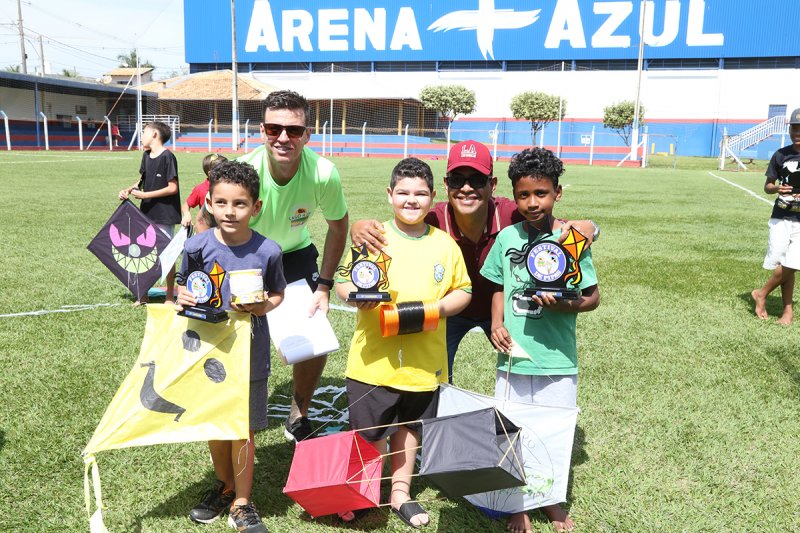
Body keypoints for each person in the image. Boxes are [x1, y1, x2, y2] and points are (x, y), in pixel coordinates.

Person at [352, 140, 598, 382]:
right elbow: (397, 227)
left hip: (501, 309)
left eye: (478, 180)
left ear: (492, 185)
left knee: (522, 367)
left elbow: (556, 228)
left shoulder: (513, 212)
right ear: (446, 185)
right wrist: (359, 226)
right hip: (452, 309)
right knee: (434, 374)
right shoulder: (433, 219)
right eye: (458, 180)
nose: (467, 188)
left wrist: (592, 227)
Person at [334, 157, 472, 527]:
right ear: (389, 194)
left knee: (410, 428)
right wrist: (353, 296)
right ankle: (364, 491)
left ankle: (400, 493)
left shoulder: (445, 246)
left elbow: (464, 290)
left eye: (421, 194)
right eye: (404, 193)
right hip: (373, 360)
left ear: (433, 197)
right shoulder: (372, 237)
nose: (412, 201)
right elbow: (344, 282)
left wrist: (439, 308)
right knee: (370, 431)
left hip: (423, 361)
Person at [481, 148, 599, 533]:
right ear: (514, 195)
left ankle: (550, 501)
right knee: (510, 430)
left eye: (542, 193)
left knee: (554, 431)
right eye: (524, 195)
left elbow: (592, 297)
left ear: (557, 193)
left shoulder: (572, 240)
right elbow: (498, 285)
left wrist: (564, 305)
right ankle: (518, 506)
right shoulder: (506, 238)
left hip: (557, 358)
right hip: (513, 356)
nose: (533, 203)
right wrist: (497, 322)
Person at [175, 160, 286, 533]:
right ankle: (224, 486)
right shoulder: (196, 245)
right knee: (215, 421)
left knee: (243, 429)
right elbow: (180, 286)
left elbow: (277, 294)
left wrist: (263, 306)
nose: (229, 211)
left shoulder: (268, 250)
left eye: (240, 204)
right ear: (208, 202)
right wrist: (183, 294)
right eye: (221, 202)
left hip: (250, 354)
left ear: (256, 207)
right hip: (207, 351)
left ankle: (242, 500)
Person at [238, 90, 349, 442]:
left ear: (308, 134)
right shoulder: (244, 171)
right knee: (239, 338)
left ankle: (298, 414)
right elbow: (209, 219)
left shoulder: (324, 173)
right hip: (247, 255)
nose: (283, 137)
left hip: (295, 255)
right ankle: (237, 411)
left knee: (315, 340)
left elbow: (338, 225)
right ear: (261, 131)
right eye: (274, 129)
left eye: (294, 130)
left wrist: (325, 285)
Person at [118, 121, 182, 305]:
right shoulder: (146, 156)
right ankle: (143, 294)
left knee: (166, 254)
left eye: (144, 132)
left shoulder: (168, 157)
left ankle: (170, 295)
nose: (142, 136)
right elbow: (141, 181)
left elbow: (173, 188)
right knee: (143, 253)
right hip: (146, 213)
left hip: (164, 214)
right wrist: (128, 190)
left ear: (154, 134)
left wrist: (146, 195)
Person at [751, 108, 800, 324]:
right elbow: (768, 186)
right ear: (789, 129)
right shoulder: (780, 155)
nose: (797, 132)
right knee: (783, 261)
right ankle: (787, 311)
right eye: (794, 128)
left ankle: (761, 293)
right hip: (781, 217)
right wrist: (777, 189)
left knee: (793, 263)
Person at [181, 153, 227, 233]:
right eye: (225, 171)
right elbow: (186, 204)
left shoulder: (230, 187)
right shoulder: (200, 189)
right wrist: (186, 215)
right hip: (206, 231)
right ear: (211, 174)